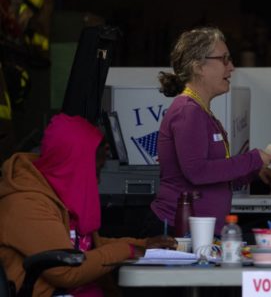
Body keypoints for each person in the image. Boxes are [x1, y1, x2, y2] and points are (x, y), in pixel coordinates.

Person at [0, 113, 177, 297]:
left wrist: (145, 244)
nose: (98, 180)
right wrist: (130, 250)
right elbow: (67, 271)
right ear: (73, 166)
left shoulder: (57, 196)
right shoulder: (25, 205)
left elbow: (92, 246)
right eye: (96, 170)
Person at [146, 27, 271, 237]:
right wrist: (255, 158)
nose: (232, 67)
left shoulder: (200, 111)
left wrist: (253, 171)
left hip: (198, 232)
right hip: (180, 233)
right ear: (199, 66)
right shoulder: (187, 112)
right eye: (224, 59)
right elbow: (197, 172)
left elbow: (213, 176)